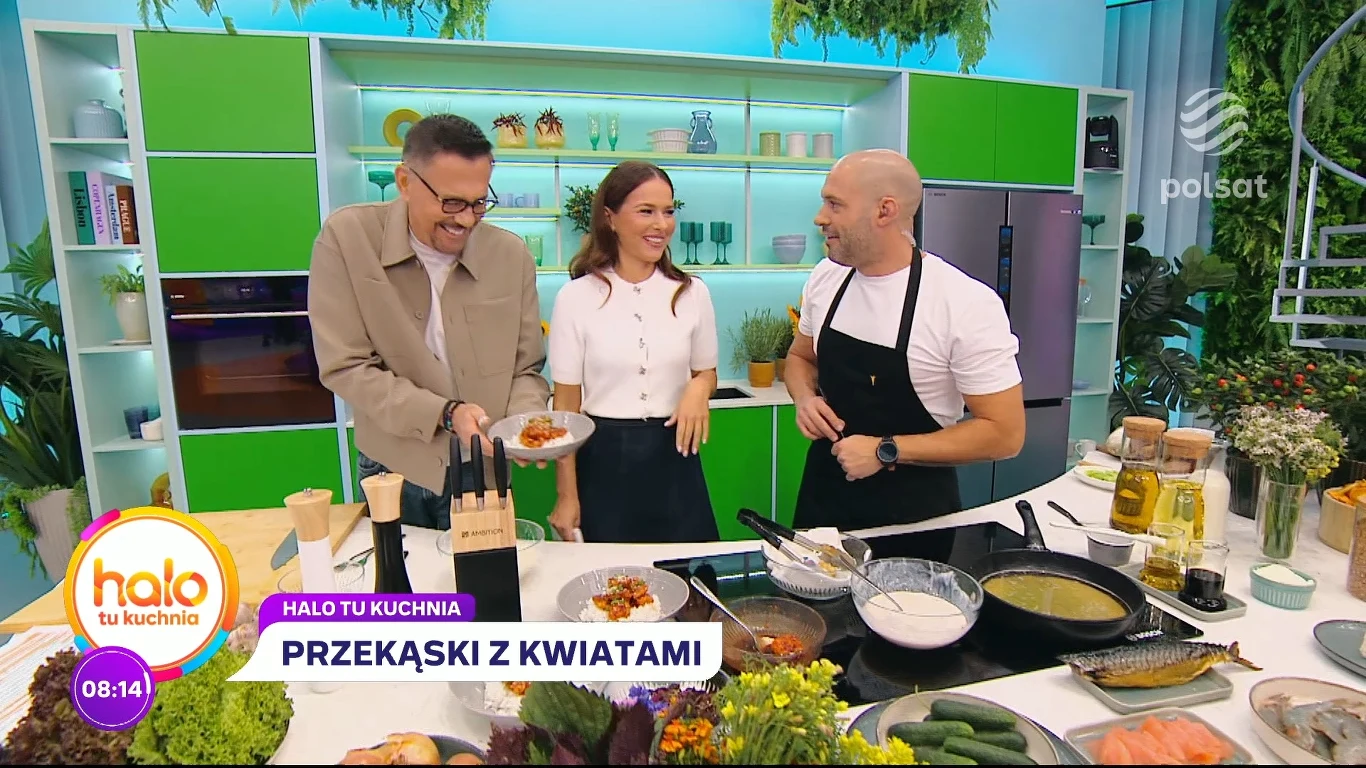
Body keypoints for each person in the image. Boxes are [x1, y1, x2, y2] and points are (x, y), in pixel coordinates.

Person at [308, 114, 551, 530]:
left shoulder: (511, 256)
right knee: (399, 574)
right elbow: (346, 368)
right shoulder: (347, 239)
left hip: (483, 470)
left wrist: (525, 423)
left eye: (479, 203)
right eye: (451, 202)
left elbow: (526, 368)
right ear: (405, 182)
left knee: (484, 573)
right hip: (393, 469)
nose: (467, 220)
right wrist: (445, 413)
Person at [786, 149, 1026, 532]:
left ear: (885, 211)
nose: (820, 217)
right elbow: (800, 358)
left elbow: (1005, 433)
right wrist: (805, 399)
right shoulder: (826, 278)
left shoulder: (963, 302)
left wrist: (886, 450)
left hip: (914, 517)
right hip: (822, 500)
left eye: (835, 204)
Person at [546, 160, 721, 543]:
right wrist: (566, 495)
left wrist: (698, 388)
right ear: (610, 218)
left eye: (668, 211)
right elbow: (566, 408)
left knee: (688, 575)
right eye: (646, 211)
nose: (662, 224)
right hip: (603, 462)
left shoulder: (693, 293)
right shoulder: (575, 298)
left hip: (676, 459)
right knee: (610, 578)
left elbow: (707, 373)